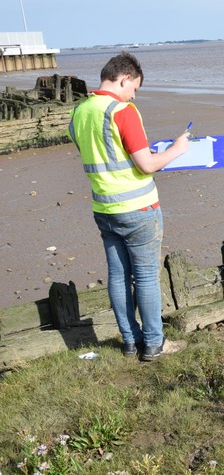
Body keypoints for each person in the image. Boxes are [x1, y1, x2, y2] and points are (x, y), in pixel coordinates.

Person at [67, 52, 190, 361]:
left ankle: (130, 341)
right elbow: (147, 164)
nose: (133, 95)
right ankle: (154, 343)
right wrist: (177, 149)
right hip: (138, 208)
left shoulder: (79, 112)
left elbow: (106, 154)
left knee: (119, 276)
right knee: (147, 277)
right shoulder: (123, 111)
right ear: (124, 79)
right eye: (134, 88)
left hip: (104, 210)